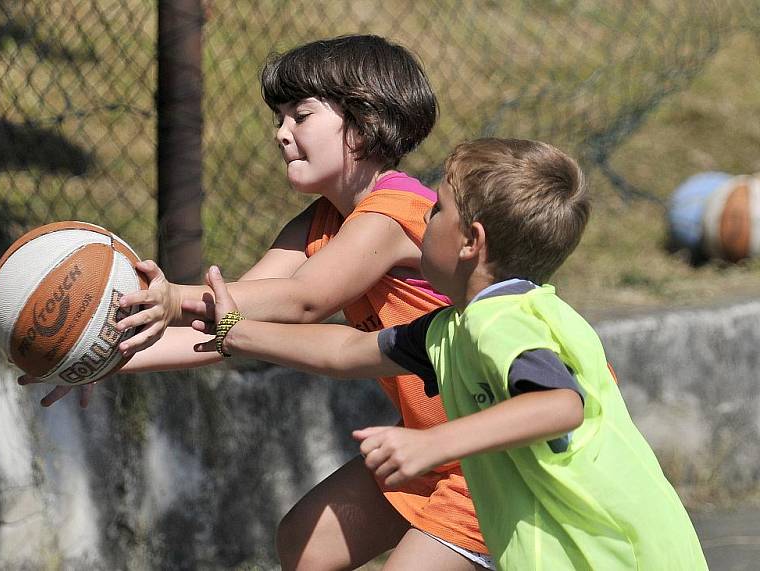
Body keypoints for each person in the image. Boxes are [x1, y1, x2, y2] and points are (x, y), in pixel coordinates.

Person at [21, 35, 492, 570]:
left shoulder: (398, 209)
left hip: (482, 453)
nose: (281, 132)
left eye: (301, 115)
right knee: (304, 544)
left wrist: (173, 298)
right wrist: (110, 355)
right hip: (426, 443)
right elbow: (231, 325)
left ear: (363, 122)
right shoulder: (319, 222)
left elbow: (304, 301)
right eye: (279, 116)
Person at [198, 137, 709, 570]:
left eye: (437, 208)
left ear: (471, 242)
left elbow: (560, 405)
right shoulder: (456, 326)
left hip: (617, 554)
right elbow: (347, 349)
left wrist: (434, 443)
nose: (426, 214)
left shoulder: (501, 321)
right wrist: (235, 331)